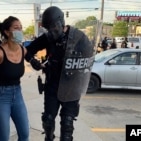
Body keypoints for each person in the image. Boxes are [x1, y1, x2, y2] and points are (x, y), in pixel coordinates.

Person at [24, 6, 94, 141]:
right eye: (48, 28)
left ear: (61, 23)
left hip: (72, 87)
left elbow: (88, 59)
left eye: (53, 27)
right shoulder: (48, 38)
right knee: (48, 120)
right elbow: (27, 50)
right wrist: (33, 61)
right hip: (52, 86)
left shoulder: (79, 38)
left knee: (67, 124)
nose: (51, 31)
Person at [0, 16, 29, 141]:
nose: (20, 30)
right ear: (7, 32)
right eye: (16, 28)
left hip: (17, 94)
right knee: (3, 137)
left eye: (21, 27)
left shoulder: (23, 50)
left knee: (24, 134)